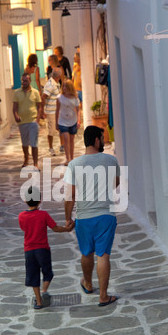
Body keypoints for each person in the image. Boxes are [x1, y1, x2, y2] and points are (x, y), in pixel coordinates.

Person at [64, 126, 120, 307]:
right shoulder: (111, 160)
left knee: (86, 252)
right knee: (103, 254)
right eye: (102, 138)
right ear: (96, 140)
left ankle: (87, 284)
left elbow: (70, 196)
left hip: (84, 216)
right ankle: (103, 296)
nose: (103, 141)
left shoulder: (74, 164)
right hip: (106, 215)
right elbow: (115, 184)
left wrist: (68, 218)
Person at [19, 186, 74, 309]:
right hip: (42, 249)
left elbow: (23, 228)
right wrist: (67, 229)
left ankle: (38, 302)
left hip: (29, 250)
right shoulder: (43, 215)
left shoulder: (21, 216)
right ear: (40, 200)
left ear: (25, 201)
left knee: (33, 275)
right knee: (47, 273)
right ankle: (45, 291)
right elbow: (55, 228)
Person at [13, 73, 42, 169]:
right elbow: (15, 108)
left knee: (34, 143)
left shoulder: (35, 92)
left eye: (25, 81)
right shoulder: (17, 93)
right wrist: (16, 116)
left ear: (30, 81)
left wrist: (38, 119)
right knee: (24, 143)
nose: (23, 82)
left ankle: (35, 164)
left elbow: (39, 107)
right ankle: (26, 158)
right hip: (22, 122)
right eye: (22, 80)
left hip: (33, 121)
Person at [56, 80, 81, 165]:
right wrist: (56, 122)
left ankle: (72, 158)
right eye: (63, 86)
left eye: (66, 86)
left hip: (73, 121)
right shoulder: (59, 98)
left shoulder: (75, 98)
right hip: (62, 121)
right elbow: (57, 110)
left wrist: (79, 120)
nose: (64, 88)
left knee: (71, 139)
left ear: (70, 87)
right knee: (66, 138)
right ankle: (67, 159)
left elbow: (78, 110)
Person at [41, 68, 62, 157]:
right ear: (59, 76)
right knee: (51, 130)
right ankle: (51, 147)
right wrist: (42, 111)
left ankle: (62, 145)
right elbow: (43, 97)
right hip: (51, 111)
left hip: (57, 111)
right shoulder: (50, 85)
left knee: (60, 128)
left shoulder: (56, 83)